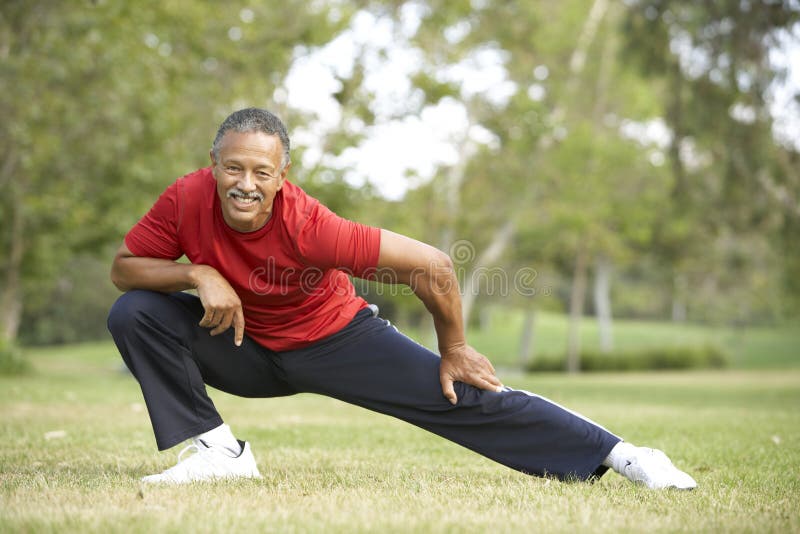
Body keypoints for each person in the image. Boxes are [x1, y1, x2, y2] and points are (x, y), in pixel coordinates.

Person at [107, 107, 696, 490]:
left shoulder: (311, 227)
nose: (245, 183)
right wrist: (197, 275)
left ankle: (627, 456)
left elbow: (435, 267)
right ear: (212, 166)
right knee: (135, 312)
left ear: (283, 175)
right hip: (242, 347)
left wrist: (456, 346)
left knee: (462, 396)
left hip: (335, 339)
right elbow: (125, 269)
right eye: (233, 168)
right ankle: (222, 456)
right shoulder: (185, 199)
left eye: (262, 172)